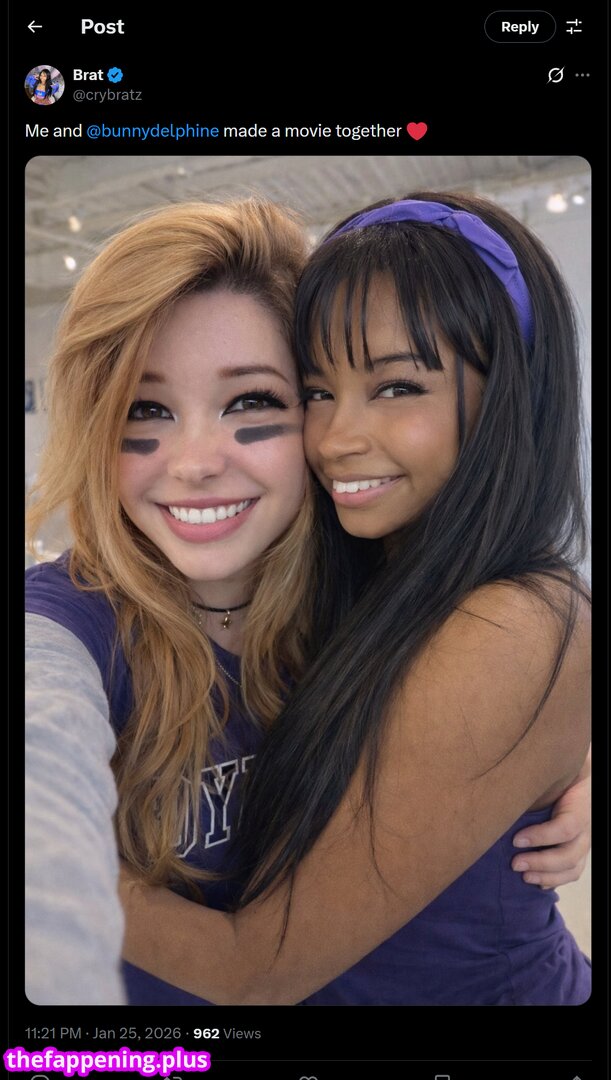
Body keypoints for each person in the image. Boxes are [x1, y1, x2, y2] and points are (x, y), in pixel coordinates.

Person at [26, 194, 590, 1006]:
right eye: (144, 409)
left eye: (252, 401)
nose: (338, 438)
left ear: (507, 394)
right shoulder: (351, 581)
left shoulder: (476, 617)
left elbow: (256, 969)